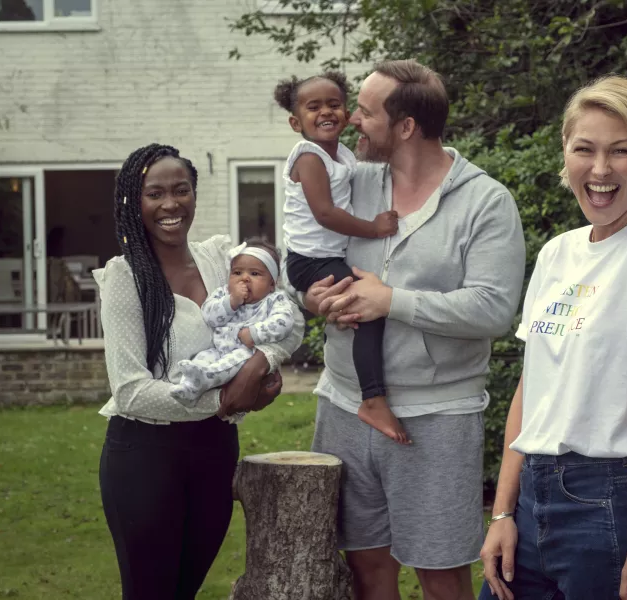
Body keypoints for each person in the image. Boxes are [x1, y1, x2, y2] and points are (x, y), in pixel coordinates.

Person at [298, 59, 526, 600]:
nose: (352, 119)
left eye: (366, 111)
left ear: (406, 127)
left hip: (437, 419)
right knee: (366, 569)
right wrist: (308, 297)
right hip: (343, 407)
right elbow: (307, 249)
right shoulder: (351, 184)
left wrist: (392, 302)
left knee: (441, 576)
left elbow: (494, 310)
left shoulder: (485, 202)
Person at [478, 75, 627, 600]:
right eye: (585, 149)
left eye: (620, 151)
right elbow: (530, 390)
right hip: (531, 499)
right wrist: (503, 510)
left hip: (613, 500)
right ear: (566, 154)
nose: (600, 170)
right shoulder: (558, 253)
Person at [94, 143, 304, 600]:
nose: (171, 204)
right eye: (155, 193)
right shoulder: (125, 279)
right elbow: (130, 390)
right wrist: (224, 401)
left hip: (214, 451)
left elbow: (282, 317)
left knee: (185, 590)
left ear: (193, 195)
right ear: (135, 201)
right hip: (145, 456)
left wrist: (262, 362)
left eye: (181, 190)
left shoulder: (219, 260)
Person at [275, 71, 406, 443]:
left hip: (322, 256)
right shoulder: (309, 157)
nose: (325, 112)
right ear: (295, 121)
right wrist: (375, 228)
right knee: (369, 310)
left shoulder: (343, 154)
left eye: (333, 104)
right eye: (312, 107)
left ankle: (369, 390)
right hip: (309, 261)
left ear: (347, 112)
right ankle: (373, 399)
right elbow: (326, 214)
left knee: (358, 307)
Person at [170, 239, 294, 405]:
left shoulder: (274, 300)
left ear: (272, 284)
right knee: (201, 358)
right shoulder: (224, 294)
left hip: (247, 352)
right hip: (217, 349)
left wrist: (255, 333)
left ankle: (205, 378)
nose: (244, 279)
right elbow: (208, 316)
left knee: (232, 362)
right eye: (237, 273)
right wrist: (231, 302)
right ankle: (189, 386)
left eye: (255, 274)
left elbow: (284, 322)